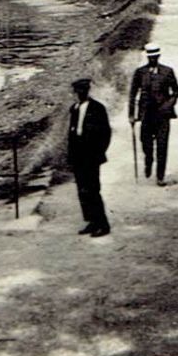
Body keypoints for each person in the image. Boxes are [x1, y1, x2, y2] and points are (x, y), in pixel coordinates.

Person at [129, 42, 178, 185]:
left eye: (155, 57)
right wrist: (131, 115)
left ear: (158, 56)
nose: (152, 59)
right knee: (146, 143)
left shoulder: (167, 71)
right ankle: (148, 160)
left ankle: (160, 176)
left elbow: (176, 92)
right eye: (150, 57)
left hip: (162, 115)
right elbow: (132, 94)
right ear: (147, 57)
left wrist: (168, 105)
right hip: (146, 114)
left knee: (162, 145)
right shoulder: (140, 72)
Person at [66, 77, 112, 237]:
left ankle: (102, 224)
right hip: (78, 155)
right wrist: (70, 157)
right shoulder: (74, 108)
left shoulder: (97, 108)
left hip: (91, 156)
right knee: (82, 191)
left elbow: (106, 133)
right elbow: (71, 136)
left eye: (83, 91)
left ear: (87, 91)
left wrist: (99, 152)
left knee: (93, 189)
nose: (80, 94)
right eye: (78, 91)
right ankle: (91, 221)